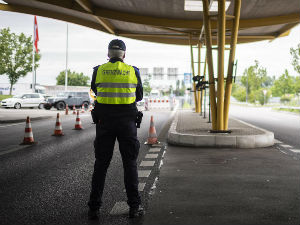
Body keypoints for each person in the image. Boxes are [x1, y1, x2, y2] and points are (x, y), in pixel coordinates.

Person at [88, 39, 144, 220]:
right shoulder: (133, 71)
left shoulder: (98, 70)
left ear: (108, 54)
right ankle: (134, 207)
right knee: (130, 164)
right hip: (127, 122)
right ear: (124, 54)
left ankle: (94, 208)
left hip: (105, 122)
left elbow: (95, 90)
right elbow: (139, 95)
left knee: (101, 164)